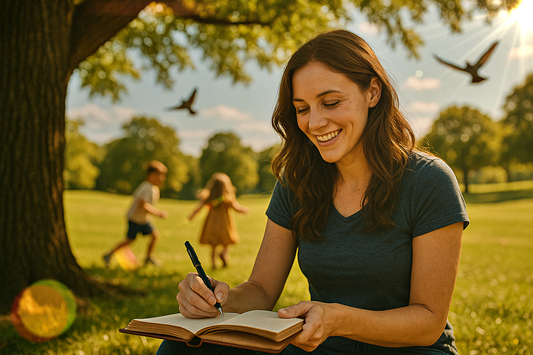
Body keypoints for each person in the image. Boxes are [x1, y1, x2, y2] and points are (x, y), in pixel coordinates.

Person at [158, 29, 469, 355]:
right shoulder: (297, 180)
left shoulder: (429, 181)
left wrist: (339, 319)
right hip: (321, 348)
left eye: (331, 102)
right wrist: (218, 299)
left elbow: (429, 321)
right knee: (182, 348)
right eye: (302, 108)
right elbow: (261, 289)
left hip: (411, 351)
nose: (315, 122)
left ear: (372, 92)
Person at [103, 160, 168, 267]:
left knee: (155, 235)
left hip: (143, 219)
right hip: (135, 219)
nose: (162, 178)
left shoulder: (153, 188)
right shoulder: (146, 187)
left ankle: (148, 258)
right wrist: (158, 213)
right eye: (160, 175)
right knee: (129, 240)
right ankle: (109, 254)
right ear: (151, 175)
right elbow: (143, 205)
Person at [187, 172, 249, 269]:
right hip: (225, 224)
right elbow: (237, 208)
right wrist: (244, 210)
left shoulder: (208, 197)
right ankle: (224, 255)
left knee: (213, 245)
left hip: (212, 224)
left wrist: (192, 216)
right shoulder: (227, 198)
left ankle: (213, 263)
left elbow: (198, 208)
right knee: (226, 243)